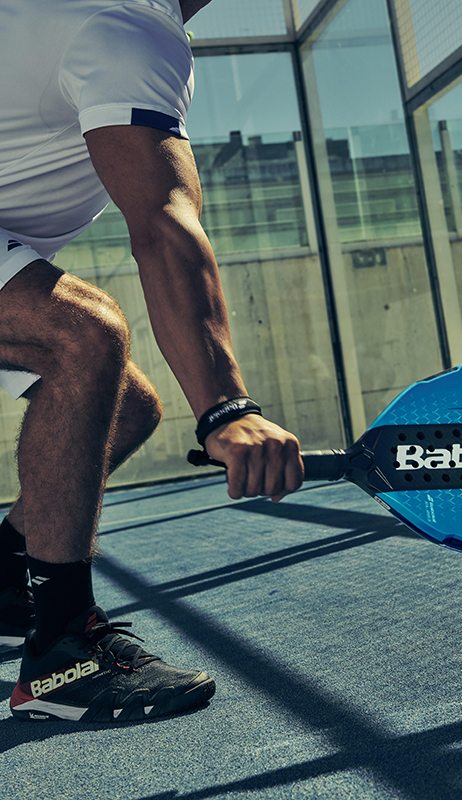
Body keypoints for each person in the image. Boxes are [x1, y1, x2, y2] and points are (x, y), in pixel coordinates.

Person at [0, 0, 304, 723]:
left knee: (127, 407)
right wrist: (228, 409)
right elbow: (164, 225)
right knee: (84, 336)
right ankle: (64, 650)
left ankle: (8, 579)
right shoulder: (124, 22)